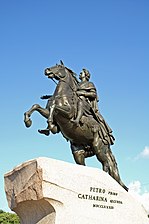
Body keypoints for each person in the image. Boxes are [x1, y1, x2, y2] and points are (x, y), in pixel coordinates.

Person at [72, 68, 115, 145]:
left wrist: (83, 94)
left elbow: (93, 94)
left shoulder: (89, 84)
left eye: (81, 73)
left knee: (81, 100)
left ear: (86, 75)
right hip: (76, 103)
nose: (79, 74)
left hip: (86, 105)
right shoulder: (76, 84)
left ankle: (77, 119)